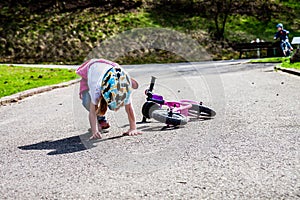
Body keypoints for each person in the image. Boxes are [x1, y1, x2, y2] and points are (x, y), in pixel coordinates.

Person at [76, 58, 141, 139]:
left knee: (111, 103)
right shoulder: (95, 86)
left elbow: (129, 108)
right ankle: (100, 119)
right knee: (87, 101)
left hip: (111, 69)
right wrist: (94, 131)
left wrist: (133, 128)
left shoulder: (124, 86)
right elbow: (92, 111)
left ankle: (102, 115)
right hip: (92, 69)